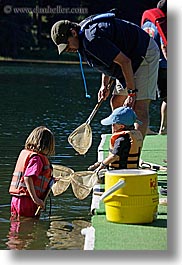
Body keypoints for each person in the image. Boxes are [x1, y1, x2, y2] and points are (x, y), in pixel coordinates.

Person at [51, 13, 160, 138]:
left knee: (139, 107)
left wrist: (131, 93)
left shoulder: (92, 39)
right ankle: (120, 145)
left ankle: (134, 154)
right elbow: (108, 59)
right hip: (127, 59)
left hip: (143, 53)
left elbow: (125, 62)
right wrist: (104, 85)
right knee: (116, 101)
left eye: (67, 44)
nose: (68, 49)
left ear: (73, 32)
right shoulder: (84, 40)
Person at [9, 126, 55, 219]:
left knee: (17, 224)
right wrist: (36, 199)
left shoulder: (28, 154)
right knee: (28, 224)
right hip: (27, 201)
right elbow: (28, 177)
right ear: (46, 145)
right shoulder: (36, 159)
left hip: (16, 199)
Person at [88, 107, 143, 174]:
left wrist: (102, 165)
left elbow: (114, 156)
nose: (112, 126)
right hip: (132, 170)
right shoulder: (134, 135)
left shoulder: (121, 139)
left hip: (122, 172)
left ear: (121, 126)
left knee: (99, 175)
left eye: (113, 124)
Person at [141, 0, 167, 134]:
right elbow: (164, 45)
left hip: (146, 65)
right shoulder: (163, 23)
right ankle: (164, 127)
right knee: (169, 98)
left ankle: (145, 128)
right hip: (163, 65)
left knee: (146, 98)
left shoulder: (147, 23)